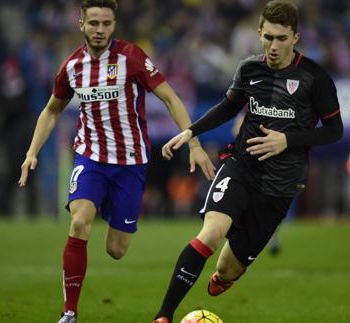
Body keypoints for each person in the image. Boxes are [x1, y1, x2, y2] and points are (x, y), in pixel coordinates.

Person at [17, 1, 215, 322]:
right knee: (80, 221)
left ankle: (108, 207)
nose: (100, 30)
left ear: (114, 25)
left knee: (116, 250)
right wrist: (31, 152)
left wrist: (193, 142)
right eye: (93, 23)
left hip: (130, 164)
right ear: (81, 24)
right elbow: (52, 109)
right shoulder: (71, 66)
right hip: (90, 157)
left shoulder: (132, 57)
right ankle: (69, 312)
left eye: (106, 23)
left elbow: (170, 97)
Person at [152, 1, 344, 322]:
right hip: (241, 165)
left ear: (296, 37)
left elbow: (335, 131)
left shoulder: (315, 78)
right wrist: (190, 131)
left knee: (226, 269)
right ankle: (163, 316)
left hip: (281, 185)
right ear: (259, 33)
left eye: (281, 38)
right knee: (210, 233)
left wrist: (287, 140)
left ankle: (226, 276)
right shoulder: (249, 68)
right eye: (268, 37)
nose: (273, 45)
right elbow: (228, 107)